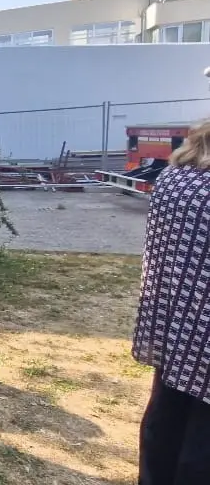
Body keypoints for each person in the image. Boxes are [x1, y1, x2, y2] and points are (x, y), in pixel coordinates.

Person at [132, 119, 210, 485]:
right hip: (201, 335)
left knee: (165, 421)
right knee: (200, 445)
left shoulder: (174, 178)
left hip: (175, 326)